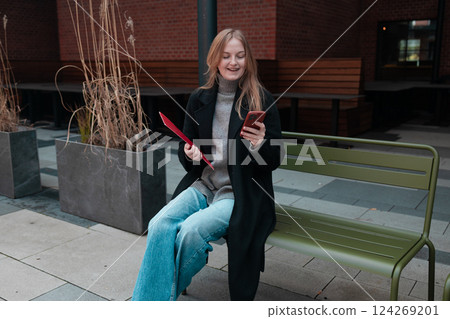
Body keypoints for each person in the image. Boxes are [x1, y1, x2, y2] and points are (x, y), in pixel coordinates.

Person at [132, 28, 282, 301]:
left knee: (191, 231)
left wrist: (261, 143)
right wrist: (189, 153)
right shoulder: (199, 98)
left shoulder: (261, 99)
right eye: (225, 56)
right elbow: (186, 146)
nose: (233, 62)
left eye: (239, 55)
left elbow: (274, 160)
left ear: (248, 59)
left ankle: (151, 301)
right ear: (215, 59)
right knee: (158, 224)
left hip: (239, 194)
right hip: (205, 185)